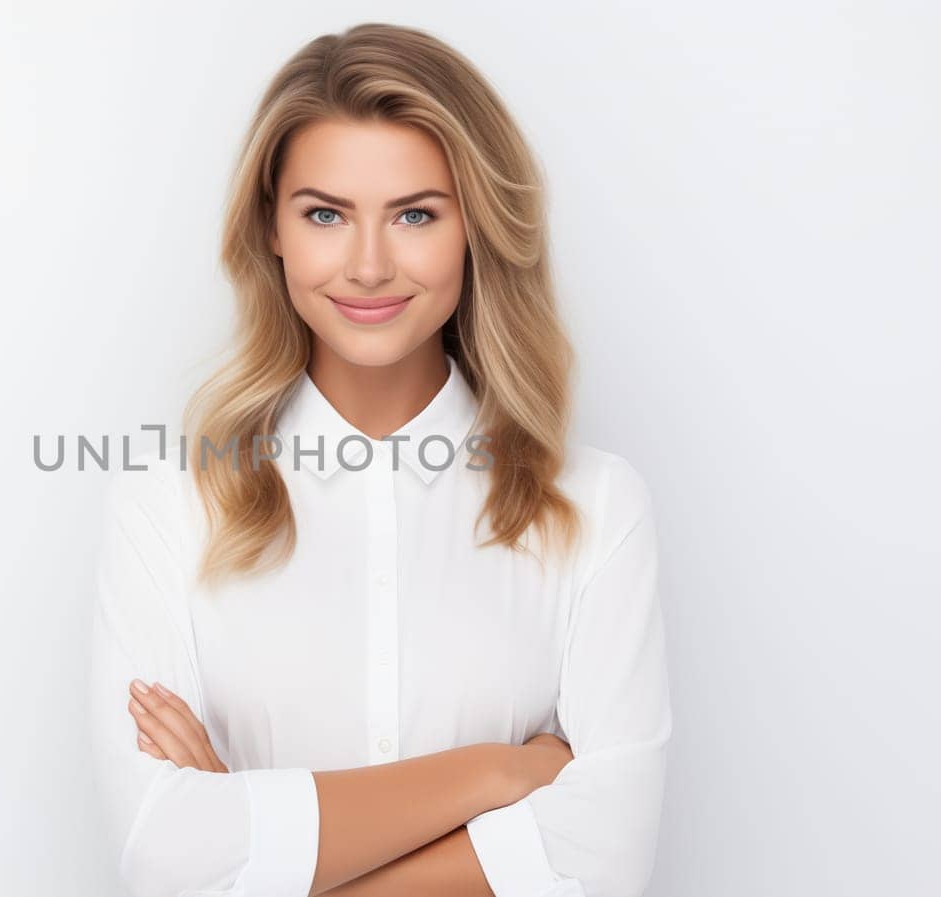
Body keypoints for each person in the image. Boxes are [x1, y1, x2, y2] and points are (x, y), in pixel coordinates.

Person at [86, 22, 671, 897]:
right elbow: (163, 859)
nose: (367, 265)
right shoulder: (169, 504)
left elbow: (604, 859)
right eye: (325, 213)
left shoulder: (594, 507)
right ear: (271, 229)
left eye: (415, 214)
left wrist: (263, 850)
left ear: (476, 228)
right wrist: (496, 776)